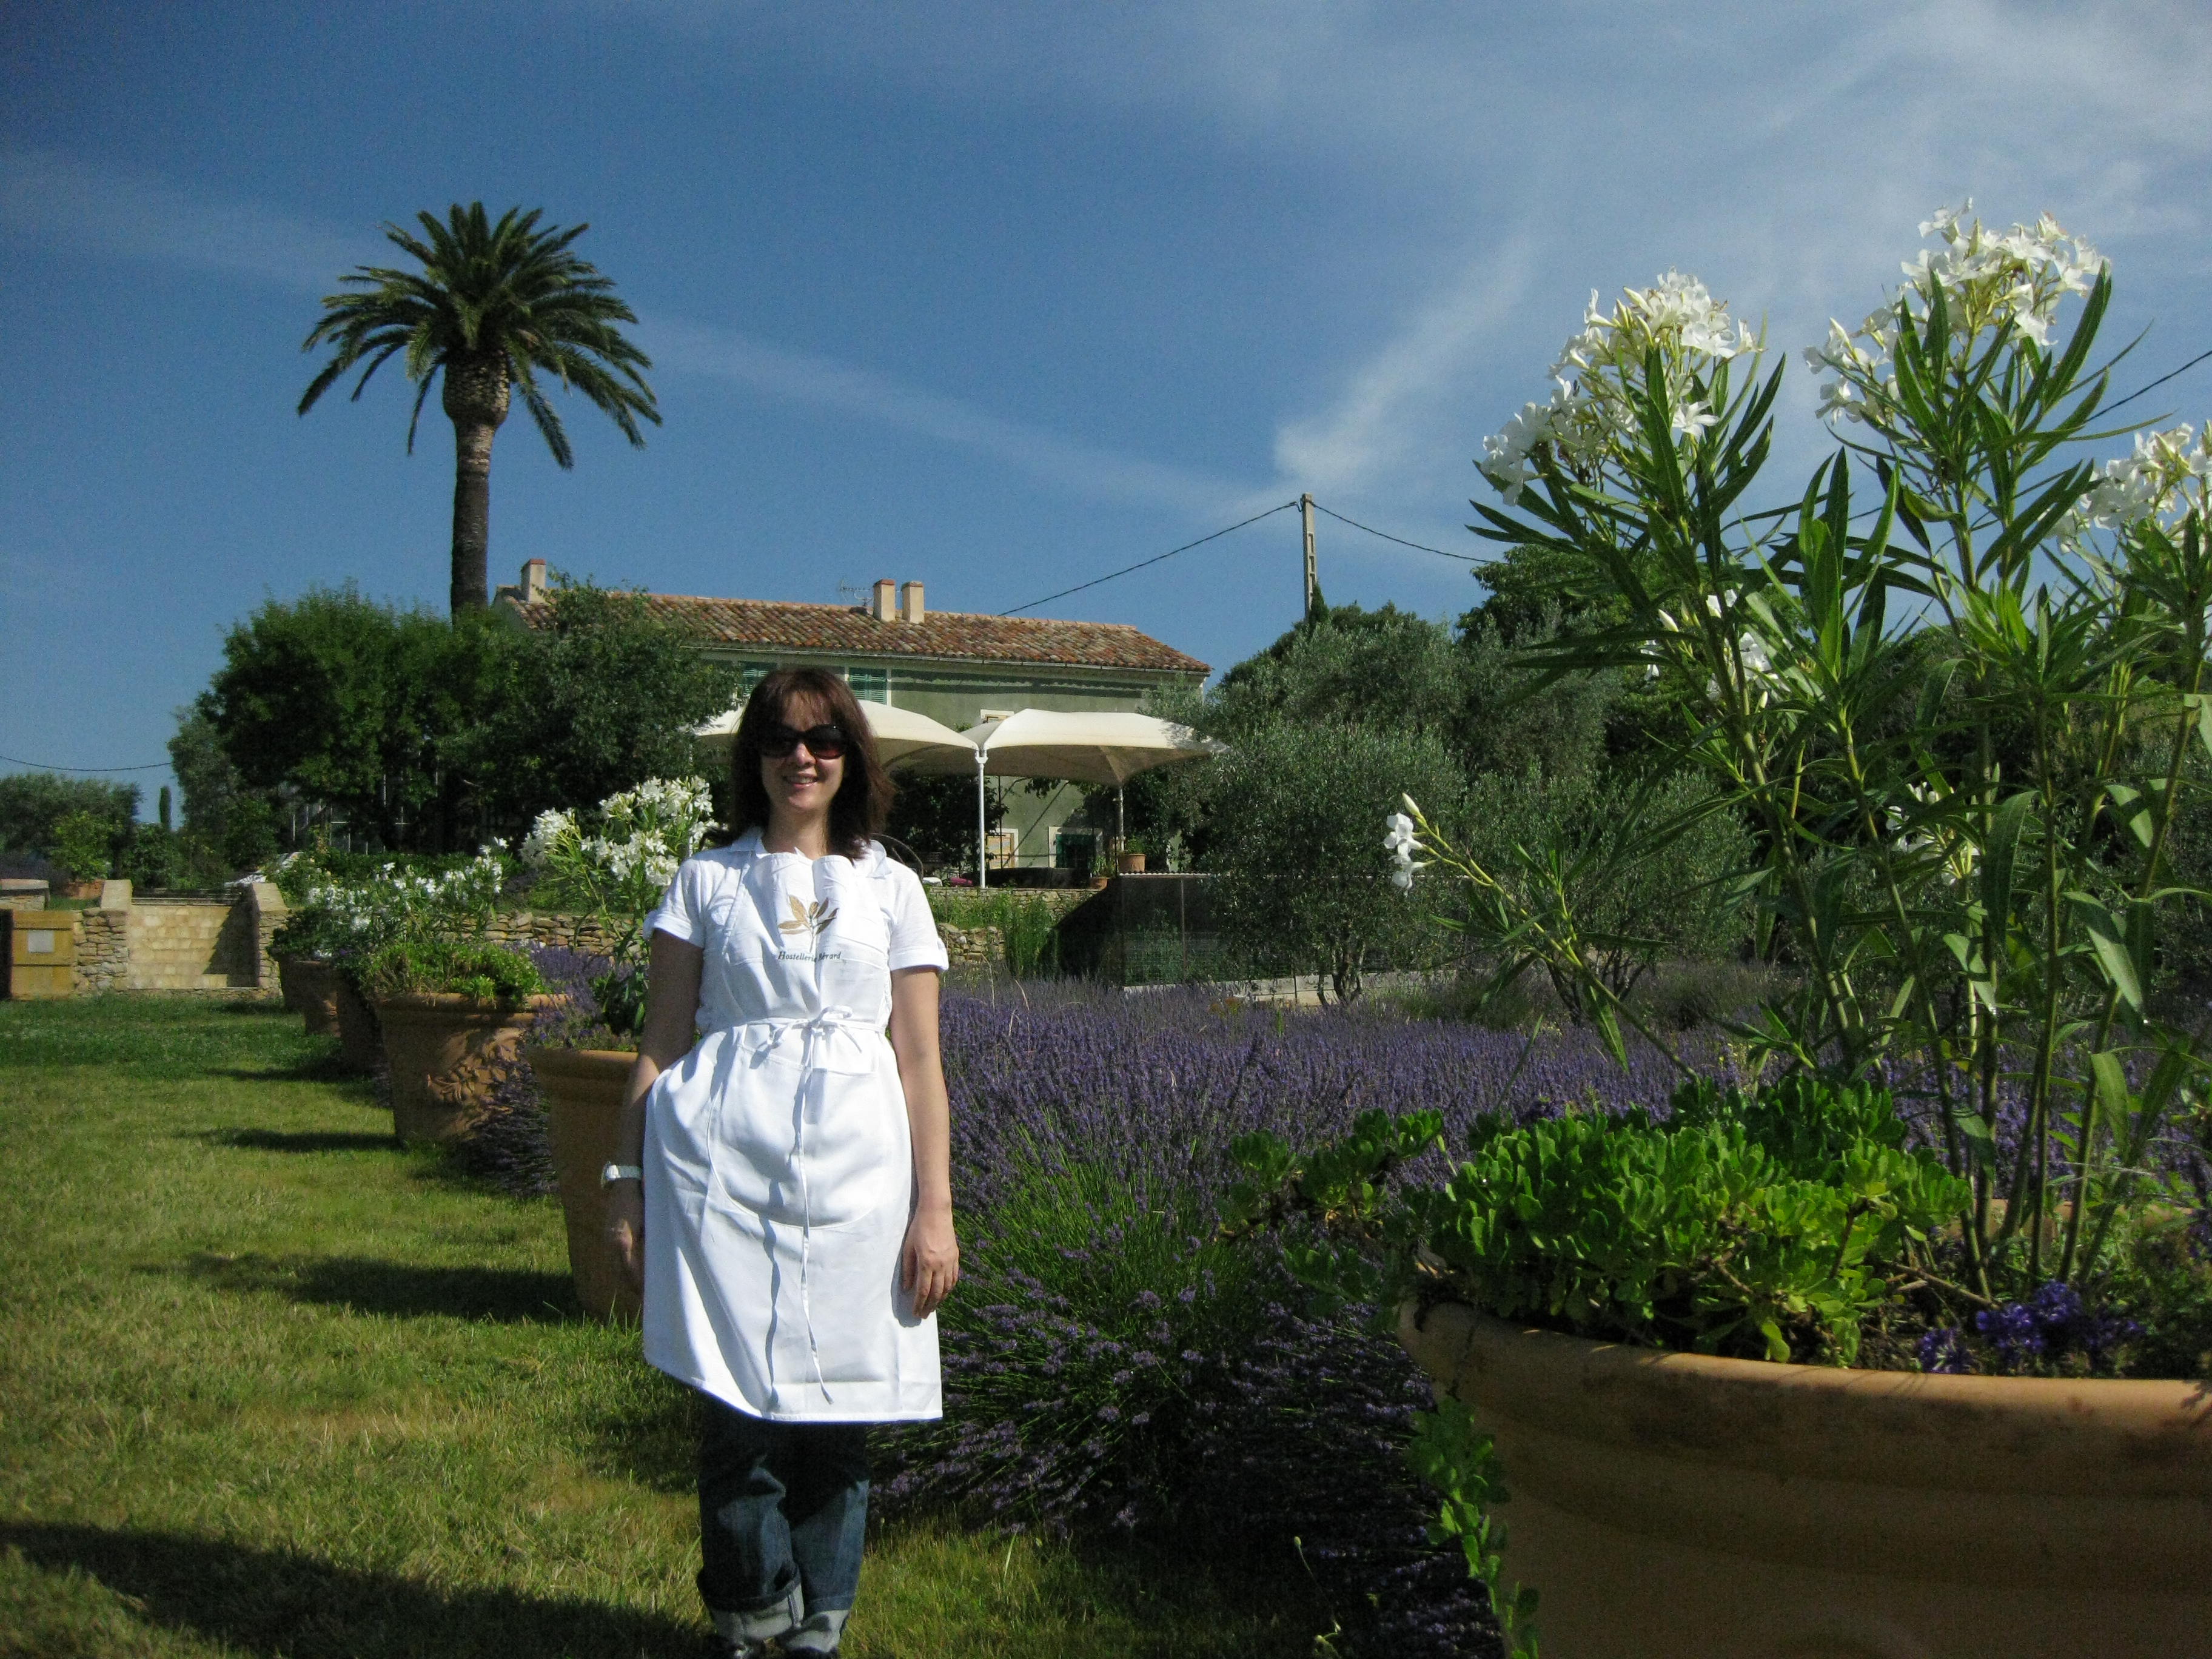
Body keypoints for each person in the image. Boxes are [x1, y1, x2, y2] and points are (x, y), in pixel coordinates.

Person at [602, 666, 959, 1658]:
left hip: (861, 1178)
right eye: (782, 739)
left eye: (824, 739)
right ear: (754, 757)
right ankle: (753, 1614)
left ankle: (818, 1628)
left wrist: (935, 1209)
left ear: (851, 758)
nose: (803, 757)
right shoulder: (706, 883)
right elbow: (660, 1041)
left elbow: (921, 1062)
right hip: (721, 1172)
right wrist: (623, 1183)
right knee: (737, 1417)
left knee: (842, 1417)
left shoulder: (893, 889)